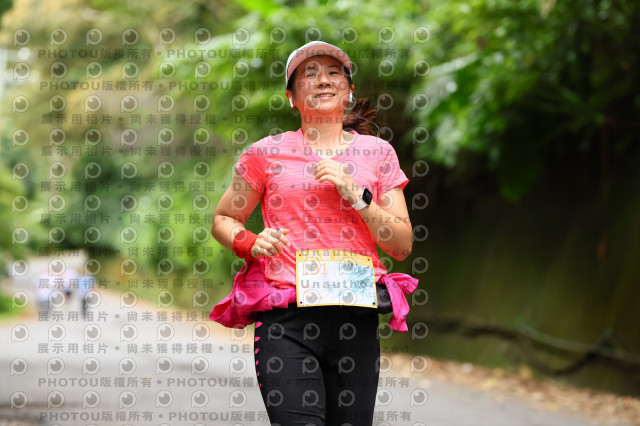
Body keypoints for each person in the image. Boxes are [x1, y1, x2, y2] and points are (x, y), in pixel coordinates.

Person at [209, 41, 419, 426]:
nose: (323, 80)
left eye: (334, 73)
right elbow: (224, 219)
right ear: (291, 97)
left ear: (349, 90)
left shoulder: (378, 154)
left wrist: (355, 194)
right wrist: (251, 242)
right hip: (286, 322)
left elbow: (402, 245)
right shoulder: (266, 154)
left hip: (357, 320)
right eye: (309, 74)